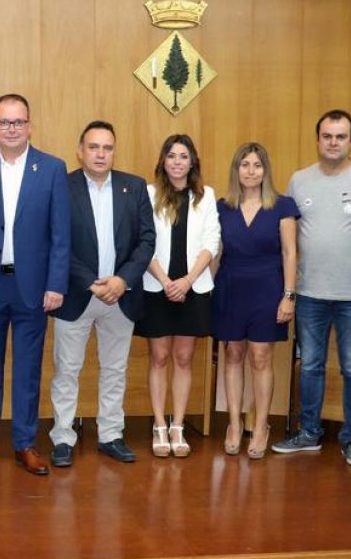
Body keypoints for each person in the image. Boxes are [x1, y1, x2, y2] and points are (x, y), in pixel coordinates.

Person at [0, 93, 70, 477]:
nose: (11, 128)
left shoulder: (52, 168)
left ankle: (25, 443)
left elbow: (60, 235)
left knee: (28, 370)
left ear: (30, 126)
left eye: (18, 122)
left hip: (34, 289)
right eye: (4, 122)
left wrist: (56, 284)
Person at [273, 110, 351, 468]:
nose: (333, 142)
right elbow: (287, 238)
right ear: (317, 138)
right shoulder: (299, 180)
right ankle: (309, 433)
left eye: (340, 136)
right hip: (310, 293)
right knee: (311, 366)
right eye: (327, 136)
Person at [49, 121, 155, 468]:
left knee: (115, 369)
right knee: (67, 369)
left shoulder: (134, 187)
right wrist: (90, 281)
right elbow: (54, 242)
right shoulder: (61, 187)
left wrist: (122, 281)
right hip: (77, 295)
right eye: (93, 147)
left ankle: (111, 434)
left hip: (119, 296)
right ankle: (63, 435)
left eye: (107, 148)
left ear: (114, 151)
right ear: (80, 151)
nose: (100, 154)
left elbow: (146, 241)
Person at [211, 143, 298, 460]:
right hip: (230, 286)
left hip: (268, 287)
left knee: (261, 357)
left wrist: (289, 295)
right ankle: (233, 424)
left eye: (257, 165)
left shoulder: (283, 205)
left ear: (266, 170)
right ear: (236, 170)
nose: (250, 171)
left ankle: (260, 426)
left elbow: (290, 252)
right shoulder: (222, 206)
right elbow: (215, 254)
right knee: (232, 354)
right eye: (244, 165)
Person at [136, 134, 219, 459]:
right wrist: (167, 280)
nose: (177, 162)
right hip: (157, 286)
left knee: (184, 359)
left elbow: (211, 241)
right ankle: (159, 425)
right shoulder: (149, 194)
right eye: (171, 156)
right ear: (163, 161)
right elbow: (142, 241)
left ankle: (178, 426)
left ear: (192, 162)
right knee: (159, 358)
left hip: (193, 288)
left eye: (183, 156)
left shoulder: (206, 196)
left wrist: (186, 280)